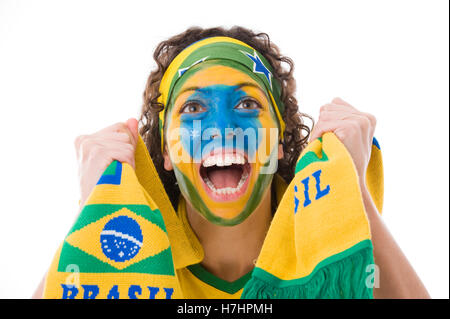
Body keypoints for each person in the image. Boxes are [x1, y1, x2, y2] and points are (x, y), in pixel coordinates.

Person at [34, 26, 429, 299]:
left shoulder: (324, 247)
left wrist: (351, 189)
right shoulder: (134, 246)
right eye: (193, 107)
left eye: (246, 104)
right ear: (168, 153)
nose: (221, 129)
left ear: (278, 142)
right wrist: (93, 212)